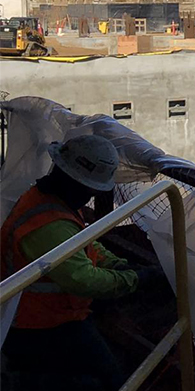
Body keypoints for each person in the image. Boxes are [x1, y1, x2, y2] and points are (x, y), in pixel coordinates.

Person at [1, 135, 160, 391]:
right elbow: (84, 280)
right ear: (74, 182)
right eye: (89, 189)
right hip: (39, 326)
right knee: (110, 382)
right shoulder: (47, 224)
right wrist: (137, 279)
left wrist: (118, 264)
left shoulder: (48, 201)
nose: (90, 196)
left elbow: (84, 243)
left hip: (44, 317)